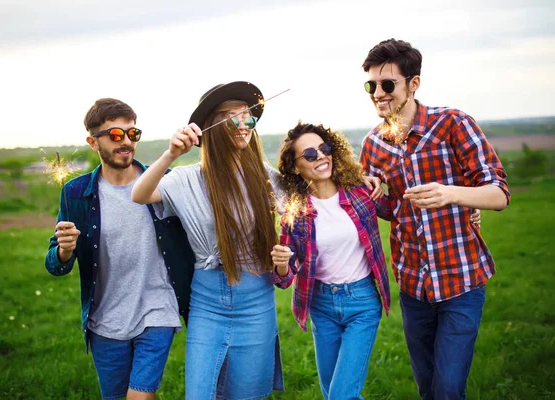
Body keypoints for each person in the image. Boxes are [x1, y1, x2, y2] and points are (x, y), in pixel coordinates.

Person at [359, 38, 510, 399]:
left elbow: (499, 194)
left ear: (414, 84)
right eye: (371, 85)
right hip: (413, 287)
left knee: (446, 391)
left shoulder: (453, 124)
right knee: (429, 390)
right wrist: (373, 192)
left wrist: (451, 193)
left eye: (388, 84)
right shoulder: (372, 145)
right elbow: (391, 211)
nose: (378, 93)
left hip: (461, 282)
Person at [131, 81, 284, 400]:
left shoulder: (264, 176)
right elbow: (140, 193)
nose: (243, 125)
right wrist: (171, 153)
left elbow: (313, 194)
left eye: (248, 118)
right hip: (208, 300)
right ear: (211, 127)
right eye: (232, 118)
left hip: (256, 296)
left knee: (245, 393)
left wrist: (358, 179)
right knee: (200, 393)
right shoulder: (187, 178)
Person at [44, 98, 195, 400]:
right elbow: (55, 264)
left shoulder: (164, 181)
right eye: (115, 135)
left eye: (132, 133)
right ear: (92, 141)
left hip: (157, 310)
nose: (126, 141)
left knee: (139, 396)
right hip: (105, 321)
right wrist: (64, 250)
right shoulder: (75, 193)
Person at [269, 122, 392, 400]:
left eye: (324, 149)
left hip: (362, 303)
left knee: (340, 396)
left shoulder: (360, 192)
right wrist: (281, 262)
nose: (321, 157)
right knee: (333, 394)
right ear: (295, 167)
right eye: (310, 155)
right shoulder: (295, 211)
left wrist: (378, 182)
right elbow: (284, 279)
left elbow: (400, 211)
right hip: (321, 306)